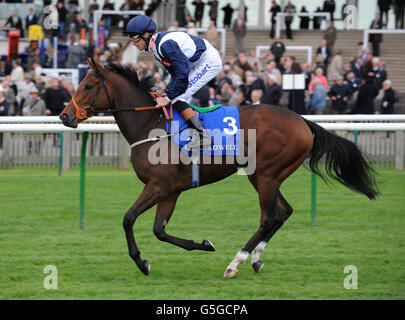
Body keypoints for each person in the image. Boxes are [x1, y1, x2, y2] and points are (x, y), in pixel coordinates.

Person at [126, 15, 222, 150]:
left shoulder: (165, 46)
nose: (133, 42)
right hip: (196, 62)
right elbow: (175, 74)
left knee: (177, 96)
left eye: (135, 37)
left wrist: (169, 97)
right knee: (172, 94)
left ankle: (203, 136)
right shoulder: (156, 48)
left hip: (208, 61)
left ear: (146, 35)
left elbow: (183, 72)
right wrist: (165, 93)